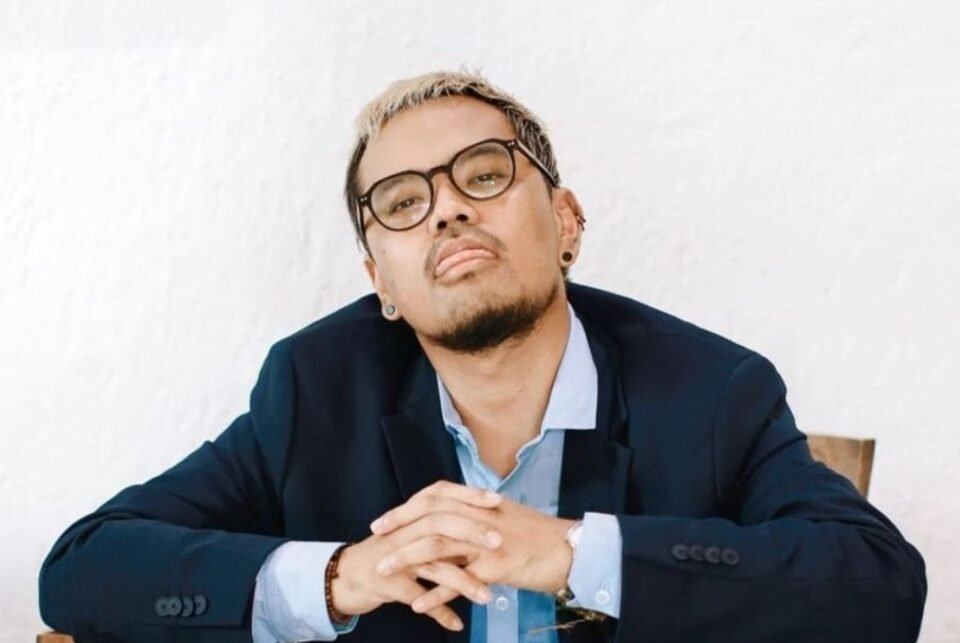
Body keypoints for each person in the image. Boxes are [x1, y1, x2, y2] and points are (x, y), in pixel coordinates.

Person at [38, 70, 926, 643]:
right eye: (401, 202)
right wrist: (342, 575)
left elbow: (879, 587)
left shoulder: (712, 392)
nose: (447, 209)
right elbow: (83, 567)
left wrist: (576, 553)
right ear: (381, 282)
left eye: (485, 174)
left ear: (566, 221)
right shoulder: (316, 390)